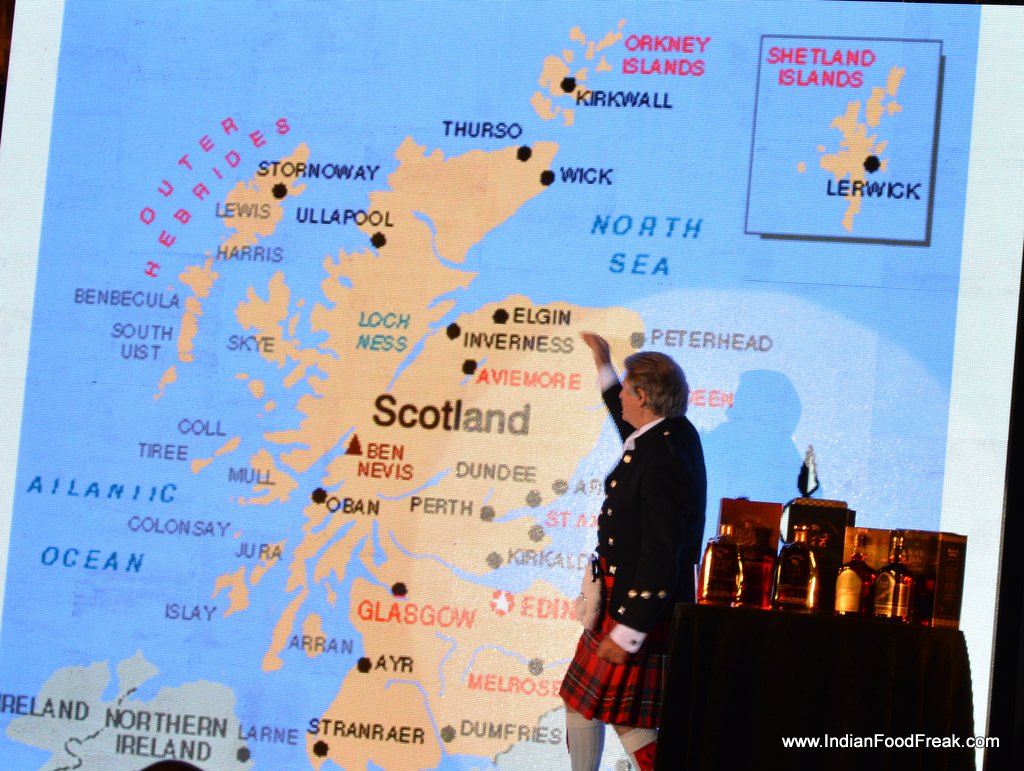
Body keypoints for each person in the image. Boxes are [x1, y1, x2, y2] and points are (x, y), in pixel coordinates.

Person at [560, 332, 706, 771]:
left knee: (623, 717)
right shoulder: (667, 432)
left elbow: (662, 555)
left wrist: (628, 632)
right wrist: (603, 363)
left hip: (637, 606)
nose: (619, 397)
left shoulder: (663, 459)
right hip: (620, 597)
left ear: (642, 397)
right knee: (584, 702)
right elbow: (620, 412)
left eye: (625, 389)